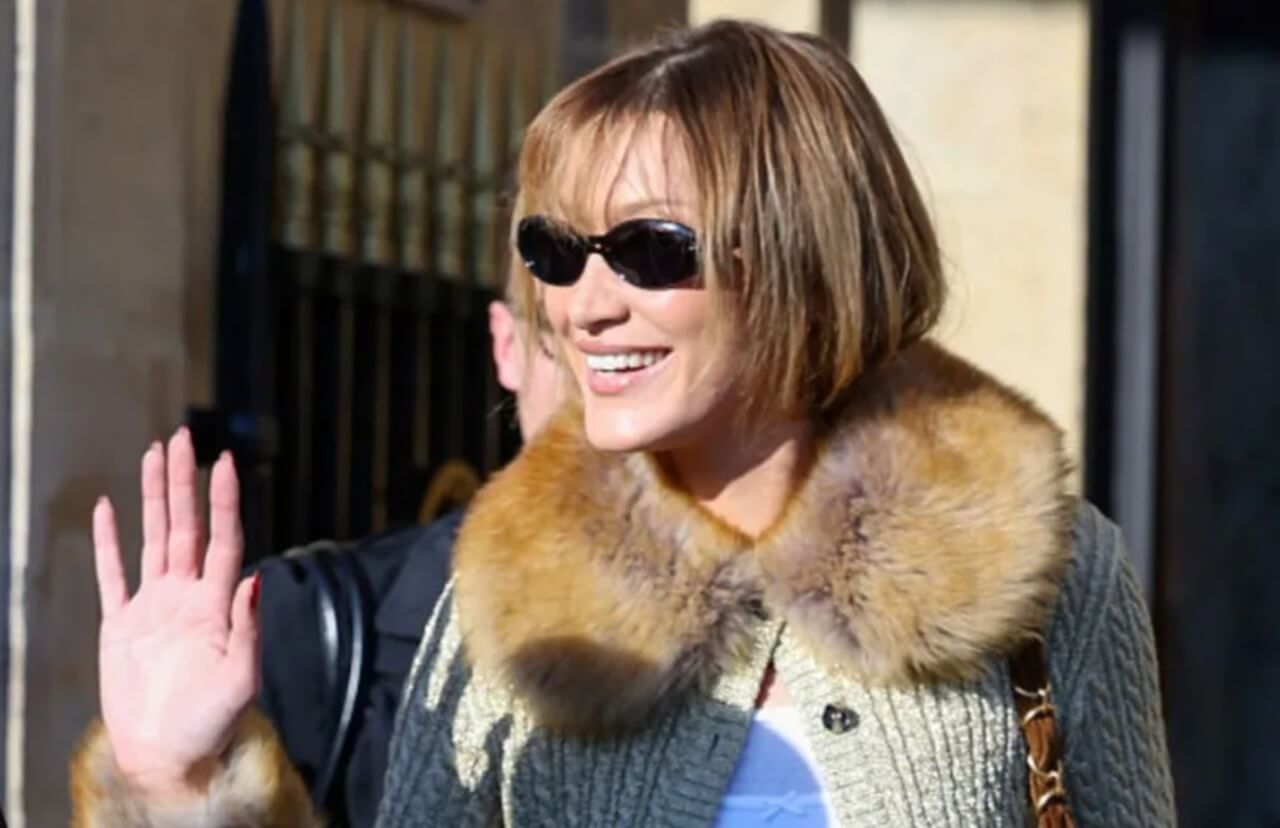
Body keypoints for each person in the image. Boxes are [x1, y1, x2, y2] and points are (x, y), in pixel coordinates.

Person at [71, 19, 1176, 827]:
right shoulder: (510, 593)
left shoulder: (1049, 572)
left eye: (649, 249)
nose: (583, 303)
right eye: (554, 252)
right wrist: (178, 785)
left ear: (805, 255)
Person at [253, 297, 564, 827]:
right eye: (567, 338)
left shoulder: (745, 640)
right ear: (508, 343)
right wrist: (168, 787)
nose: (603, 382)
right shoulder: (304, 626)